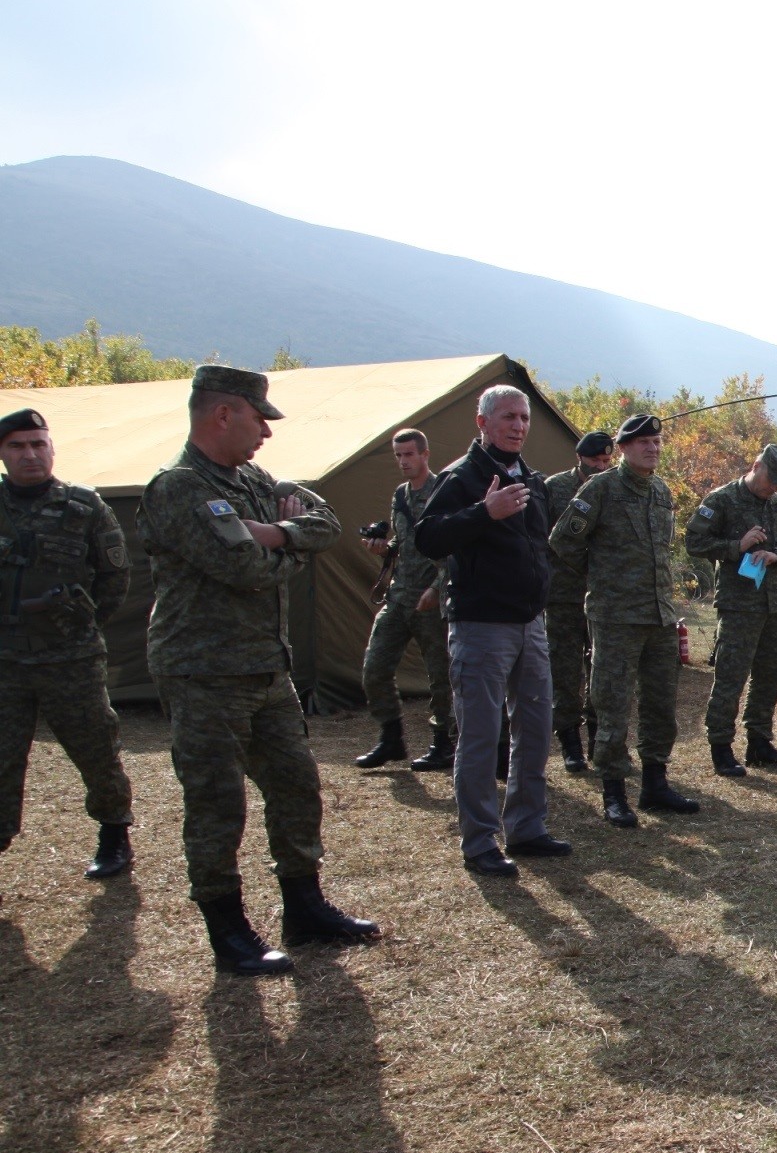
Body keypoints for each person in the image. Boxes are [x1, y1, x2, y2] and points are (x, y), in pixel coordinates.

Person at [141, 365, 376, 973]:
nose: (266, 434)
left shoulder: (252, 479)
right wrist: (291, 547)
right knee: (218, 802)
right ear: (224, 414)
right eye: (257, 419)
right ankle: (228, 931)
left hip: (266, 669)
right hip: (203, 672)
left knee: (297, 787)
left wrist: (273, 532)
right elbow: (243, 571)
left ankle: (304, 908)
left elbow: (326, 523)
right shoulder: (178, 488)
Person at [416, 383, 570, 878]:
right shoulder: (462, 477)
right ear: (482, 423)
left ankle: (527, 828)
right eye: (508, 417)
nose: (519, 426)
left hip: (531, 624)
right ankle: (480, 843)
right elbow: (428, 537)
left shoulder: (534, 480)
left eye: (524, 418)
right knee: (482, 737)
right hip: (482, 626)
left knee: (534, 729)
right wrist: (485, 512)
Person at [0, 407, 134, 881]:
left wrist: (84, 622)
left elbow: (115, 575)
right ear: (3, 453)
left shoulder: (84, 507)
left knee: (95, 749)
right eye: (17, 446)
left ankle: (114, 831)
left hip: (70, 659)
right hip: (4, 664)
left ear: (52, 449)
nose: (30, 454)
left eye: (38, 444)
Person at [548, 413, 699, 827]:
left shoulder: (661, 492)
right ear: (623, 448)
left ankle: (655, 784)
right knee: (612, 705)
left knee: (660, 706)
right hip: (615, 617)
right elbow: (563, 541)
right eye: (643, 442)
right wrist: (601, 575)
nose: (652, 447)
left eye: (657, 441)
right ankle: (613, 792)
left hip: (659, 616)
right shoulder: (601, 488)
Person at [684, 442, 777, 775]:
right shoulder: (721, 499)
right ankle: (721, 747)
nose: (774, 489)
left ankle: (759, 742)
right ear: (756, 466)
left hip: (776, 604)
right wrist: (735, 547)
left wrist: (776, 555)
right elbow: (693, 541)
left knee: (768, 677)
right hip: (739, 606)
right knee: (731, 677)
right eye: (771, 480)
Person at [352, 428, 454, 773]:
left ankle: (443, 743)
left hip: (432, 599)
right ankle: (391, 737)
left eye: (409, 454)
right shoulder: (400, 495)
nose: (403, 462)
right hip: (399, 597)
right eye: (398, 456)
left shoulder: (445, 490)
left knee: (442, 677)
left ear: (425, 454)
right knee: (374, 667)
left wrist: (438, 588)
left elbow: (457, 549)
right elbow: (403, 541)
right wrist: (383, 547)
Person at [543, 430, 613, 773]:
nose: (600, 467)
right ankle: (569, 741)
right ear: (579, 459)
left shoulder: (614, 488)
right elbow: (543, 540)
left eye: (605, 461)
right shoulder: (554, 488)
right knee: (565, 670)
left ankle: (598, 740)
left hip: (602, 595)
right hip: (563, 596)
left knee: (601, 670)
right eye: (594, 461)